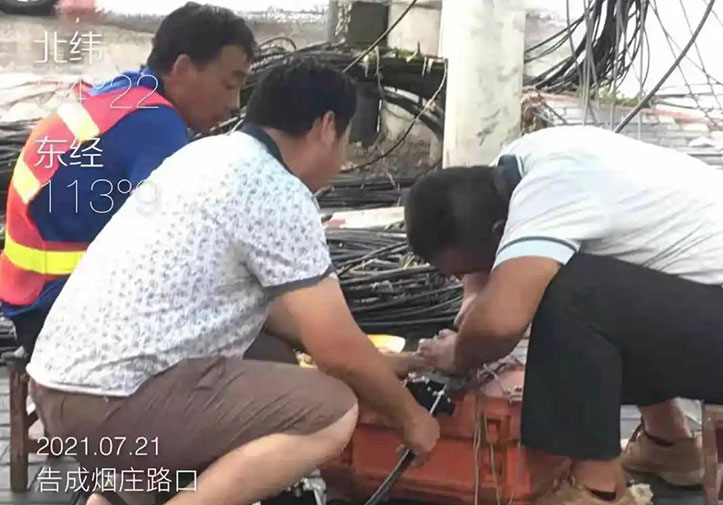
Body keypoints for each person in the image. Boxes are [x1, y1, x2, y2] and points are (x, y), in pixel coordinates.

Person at [27, 59, 439, 505]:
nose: (342, 160)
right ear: (326, 127)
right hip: (114, 407)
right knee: (330, 411)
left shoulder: (205, 155)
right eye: (346, 141)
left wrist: (377, 366)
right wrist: (412, 418)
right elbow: (334, 347)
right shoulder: (277, 190)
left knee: (272, 356)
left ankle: (120, 496)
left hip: (59, 390)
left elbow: (295, 320)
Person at [406, 124, 723, 505]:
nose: (465, 277)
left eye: (465, 269)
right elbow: (487, 270)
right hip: (710, 308)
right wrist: (474, 296)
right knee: (593, 276)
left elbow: (498, 326)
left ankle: (596, 489)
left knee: (567, 292)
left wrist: (459, 352)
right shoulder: (513, 168)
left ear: (500, 231)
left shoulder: (550, 194)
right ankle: (667, 444)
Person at [0, 2, 255, 354]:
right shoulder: (155, 123)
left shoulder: (124, 93)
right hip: (60, 310)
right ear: (182, 67)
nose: (235, 104)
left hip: (29, 295)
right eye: (228, 84)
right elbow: (182, 244)